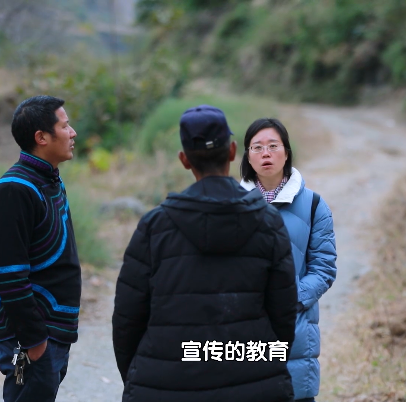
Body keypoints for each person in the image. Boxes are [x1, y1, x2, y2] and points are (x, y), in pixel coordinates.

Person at [112, 105, 298, 402]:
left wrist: (141, 378)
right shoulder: (268, 222)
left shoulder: (154, 227)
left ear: (184, 159)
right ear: (233, 151)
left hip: (165, 387)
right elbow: (284, 315)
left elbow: (127, 319)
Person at [0, 95, 80, 402]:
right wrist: (34, 342)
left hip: (52, 334)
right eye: (65, 126)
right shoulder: (14, 190)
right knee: (22, 391)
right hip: (31, 339)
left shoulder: (49, 180)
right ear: (41, 137)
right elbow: (10, 275)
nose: (72, 133)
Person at [240, 118, 337, 402]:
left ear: (286, 151)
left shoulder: (314, 205)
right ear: (247, 155)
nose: (266, 153)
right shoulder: (231, 206)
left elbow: (324, 267)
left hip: (292, 327)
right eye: (257, 147)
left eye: (273, 146)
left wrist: (290, 300)